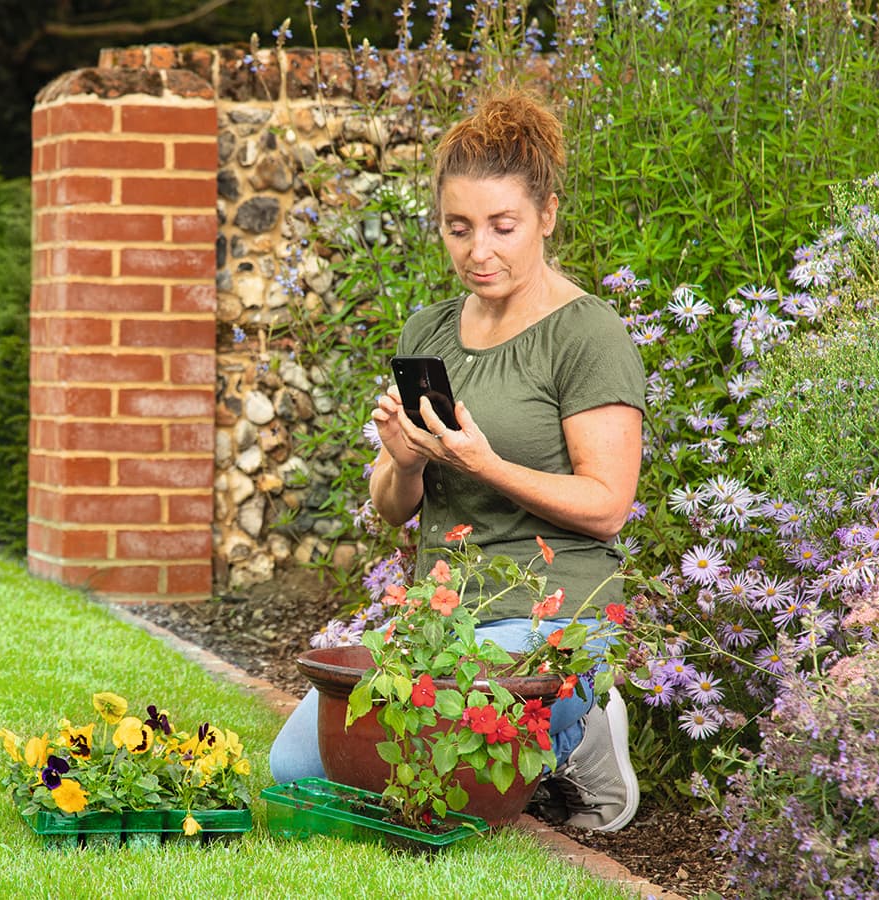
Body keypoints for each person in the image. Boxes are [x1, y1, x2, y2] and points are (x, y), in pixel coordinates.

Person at [268, 88, 648, 832]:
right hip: (441, 627)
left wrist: (484, 462)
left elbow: (607, 503)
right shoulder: (430, 329)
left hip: (551, 616)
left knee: (429, 780)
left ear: (546, 215)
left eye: (502, 226)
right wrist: (405, 459)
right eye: (458, 228)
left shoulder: (587, 335)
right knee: (297, 768)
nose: (479, 251)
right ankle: (530, 747)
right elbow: (392, 506)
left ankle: (581, 726)